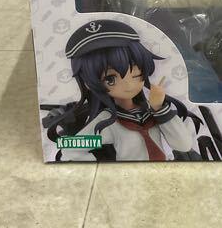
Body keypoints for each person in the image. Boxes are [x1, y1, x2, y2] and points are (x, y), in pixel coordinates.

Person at [44, 19, 200, 161]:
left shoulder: (152, 112)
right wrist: (103, 168)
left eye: (136, 74)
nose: (129, 85)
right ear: (89, 83)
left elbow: (183, 145)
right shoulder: (107, 122)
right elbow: (72, 149)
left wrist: (159, 109)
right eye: (110, 79)